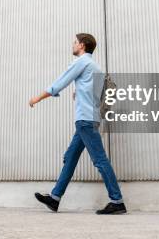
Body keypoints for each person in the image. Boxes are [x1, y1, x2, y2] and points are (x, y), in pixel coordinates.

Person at [28, 33, 126, 215]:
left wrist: (38, 98)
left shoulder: (81, 62)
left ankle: (117, 201)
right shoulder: (95, 67)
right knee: (70, 157)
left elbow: (60, 83)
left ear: (82, 45)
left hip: (85, 120)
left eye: (74, 42)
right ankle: (55, 198)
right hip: (91, 118)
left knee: (100, 160)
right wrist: (79, 94)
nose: (72, 45)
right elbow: (94, 94)